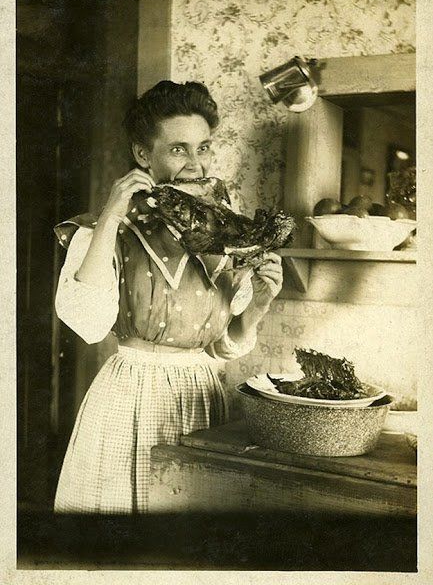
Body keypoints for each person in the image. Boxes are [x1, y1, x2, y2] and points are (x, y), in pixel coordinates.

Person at [53, 80, 283, 514]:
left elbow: (221, 346)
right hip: (130, 396)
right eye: (179, 149)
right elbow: (87, 322)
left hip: (201, 395)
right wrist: (111, 215)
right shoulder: (104, 231)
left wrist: (258, 306)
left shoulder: (227, 233)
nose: (195, 164)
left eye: (204, 148)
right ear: (144, 155)